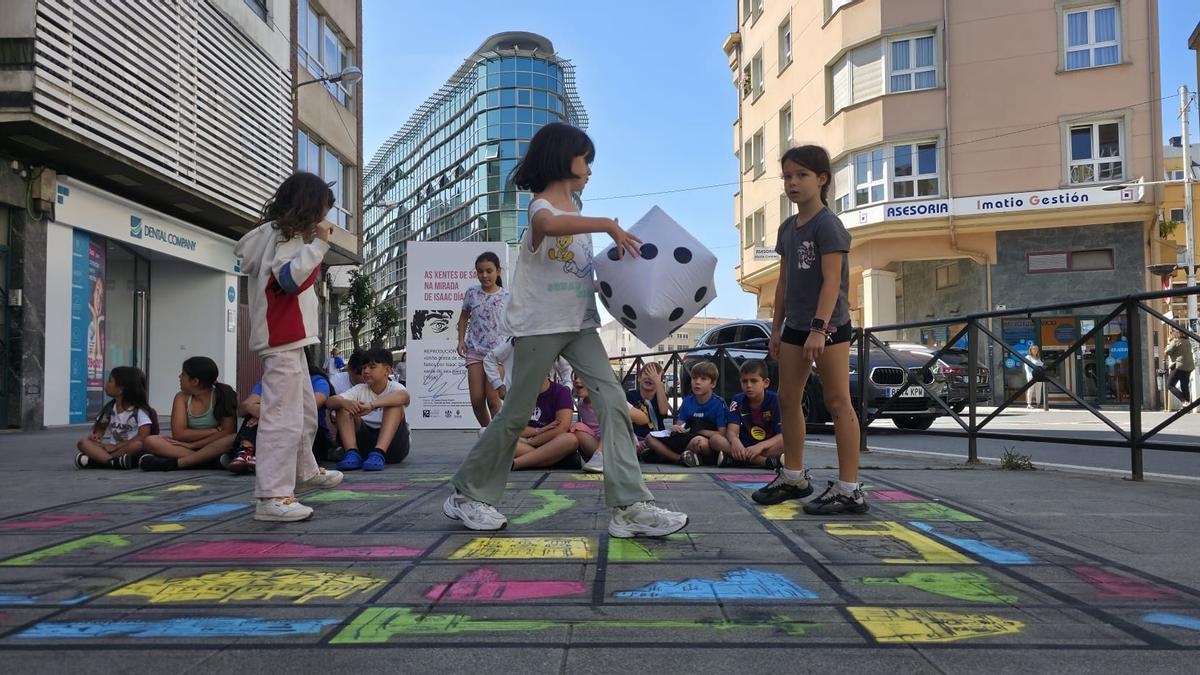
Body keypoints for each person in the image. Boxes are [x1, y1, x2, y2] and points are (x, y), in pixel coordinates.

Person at [443, 122, 688, 538]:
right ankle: (467, 494)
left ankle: (630, 507)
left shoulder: (576, 213)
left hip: (580, 325)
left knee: (612, 401)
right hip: (539, 327)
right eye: (585, 160)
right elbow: (549, 227)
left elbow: (583, 276)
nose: (590, 169)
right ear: (563, 159)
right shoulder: (541, 209)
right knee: (516, 414)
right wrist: (607, 226)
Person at [751, 145, 867, 515]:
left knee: (837, 402)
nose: (792, 183)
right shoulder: (788, 228)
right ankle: (794, 476)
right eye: (787, 176)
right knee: (788, 398)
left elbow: (832, 280)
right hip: (795, 327)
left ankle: (849, 489)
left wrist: (820, 328)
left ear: (822, 179)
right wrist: (775, 328)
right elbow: (783, 283)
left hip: (830, 326)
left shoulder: (828, 224)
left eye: (801, 175)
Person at [233, 171, 344, 522]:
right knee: (282, 417)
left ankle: (302, 471)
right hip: (282, 338)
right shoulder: (286, 238)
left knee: (304, 410)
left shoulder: (279, 235)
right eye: (323, 211)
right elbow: (289, 279)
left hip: (288, 338)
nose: (325, 220)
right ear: (309, 206)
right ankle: (272, 495)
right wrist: (320, 246)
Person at [229, 352, 336, 474]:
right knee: (253, 412)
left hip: (311, 436)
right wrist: (261, 412)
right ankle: (246, 452)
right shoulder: (270, 381)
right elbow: (245, 406)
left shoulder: (317, 381)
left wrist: (267, 414)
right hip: (277, 431)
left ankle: (257, 455)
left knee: (264, 412)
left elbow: (310, 407)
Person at [139, 356, 238, 472]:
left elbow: (228, 432)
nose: (179, 377)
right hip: (185, 446)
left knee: (232, 438)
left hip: (213, 446)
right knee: (150, 441)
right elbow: (179, 434)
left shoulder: (224, 395)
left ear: (195, 381)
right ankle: (209, 462)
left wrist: (194, 445)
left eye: (183, 374)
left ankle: (185, 462)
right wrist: (214, 431)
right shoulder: (181, 397)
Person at [327, 347, 411, 471]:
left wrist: (371, 405)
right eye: (364, 367)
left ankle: (379, 452)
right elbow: (330, 402)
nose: (366, 371)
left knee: (394, 406)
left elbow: (404, 396)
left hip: (394, 447)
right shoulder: (359, 389)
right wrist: (344, 402)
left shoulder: (395, 387)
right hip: (365, 444)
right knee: (343, 406)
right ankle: (352, 453)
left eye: (372, 367)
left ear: (387, 371)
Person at [457, 251, 511, 427]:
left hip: (498, 354)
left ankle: (500, 438)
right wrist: (461, 340)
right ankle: (488, 433)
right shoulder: (471, 293)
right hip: (475, 351)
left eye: (489, 270)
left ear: (498, 271)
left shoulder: (507, 296)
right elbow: (464, 317)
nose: (485, 275)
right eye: (480, 271)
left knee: (493, 399)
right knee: (477, 400)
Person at [642, 361, 728, 466]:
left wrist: (700, 431)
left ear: (713, 384)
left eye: (703, 379)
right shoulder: (688, 401)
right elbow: (679, 424)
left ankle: (665, 455)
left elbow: (722, 433)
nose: (697, 382)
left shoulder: (718, 403)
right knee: (649, 438)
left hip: (702, 439)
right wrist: (676, 428)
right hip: (686, 437)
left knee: (700, 443)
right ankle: (679, 458)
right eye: (694, 378)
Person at [75, 366, 155, 470]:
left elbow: (143, 436)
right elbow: (100, 429)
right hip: (111, 449)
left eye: (110, 381)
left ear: (121, 389)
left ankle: (98, 461)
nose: (106, 384)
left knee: (138, 445)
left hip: (127, 448)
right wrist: (96, 436)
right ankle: (113, 462)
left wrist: (118, 446)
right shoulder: (109, 409)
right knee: (83, 443)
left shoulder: (138, 411)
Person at [574, 376, 650, 474]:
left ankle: (603, 457)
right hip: (598, 444)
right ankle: (600, 459)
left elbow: (644, 419)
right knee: (577, 428)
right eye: (575, 377)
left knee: (613, 420)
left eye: (581, 376)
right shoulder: (581, 404)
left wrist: (619, 410)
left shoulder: (611, 400)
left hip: (618, 444)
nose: (577, 380)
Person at [724, 359, 784, 469]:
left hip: (766, 446)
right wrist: (735, 441)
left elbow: (781, 435)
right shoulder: (737, 400)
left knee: (789, 443)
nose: (749, 385)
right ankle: (764, 462)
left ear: (765, 383)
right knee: (716, 440)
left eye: (754, 381)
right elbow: (732, 431)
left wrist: (760, 446)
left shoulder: (775, 400)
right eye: (744, 381)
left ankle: (737, 459)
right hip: (743, 444)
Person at [512, 375, 580, 470]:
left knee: (570, 439)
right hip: (525, 445)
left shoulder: (560, 391)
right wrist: (538, 430)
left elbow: (562, 428)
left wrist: (531, 441)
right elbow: (514, 428)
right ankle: (548, 461)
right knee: (500, 441)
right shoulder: (519, 394)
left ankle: (515, 464)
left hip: (552, 444)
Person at [483, 336, 573, 401]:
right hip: (518, 400)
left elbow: (566, 370)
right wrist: (499, 385)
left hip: (549, 399)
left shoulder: (554, 341)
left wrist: (566, 389)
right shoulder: (516, 340)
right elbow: (490, 359)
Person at [626, 362, 669, 451]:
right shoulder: (630, 396)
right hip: (638, 438)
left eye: (654, 375)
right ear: (639, 378)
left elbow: (664, 411)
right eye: (646, 373)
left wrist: (658, 383)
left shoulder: (660, 396)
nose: (649, 377)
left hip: (657, 438)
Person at [1165, 329, 1193, 407]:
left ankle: (1184, 400)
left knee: (1170, 385)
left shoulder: (1176, 341)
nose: (1171, 334)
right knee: (1184, 386)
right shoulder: (1188, 342)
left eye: (1172, 332)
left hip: (1179, 366)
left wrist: (1169, 342)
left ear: (1177, 333)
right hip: (1189, 367)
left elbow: (1167, 351)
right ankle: (1187, 404)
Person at [1024, 345, 1045, 409]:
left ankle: (1038, 403)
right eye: (1033, 349)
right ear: (1030, 350)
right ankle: (1029, 404)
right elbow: (1026, 368)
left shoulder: (1038, 358)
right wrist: (1030, 376)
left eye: (1036, 349)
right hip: (1031, 376)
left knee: (1038, 390)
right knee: (1030, 390)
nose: (1035, 350)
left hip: (1039, 376)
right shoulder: (1028, 357)